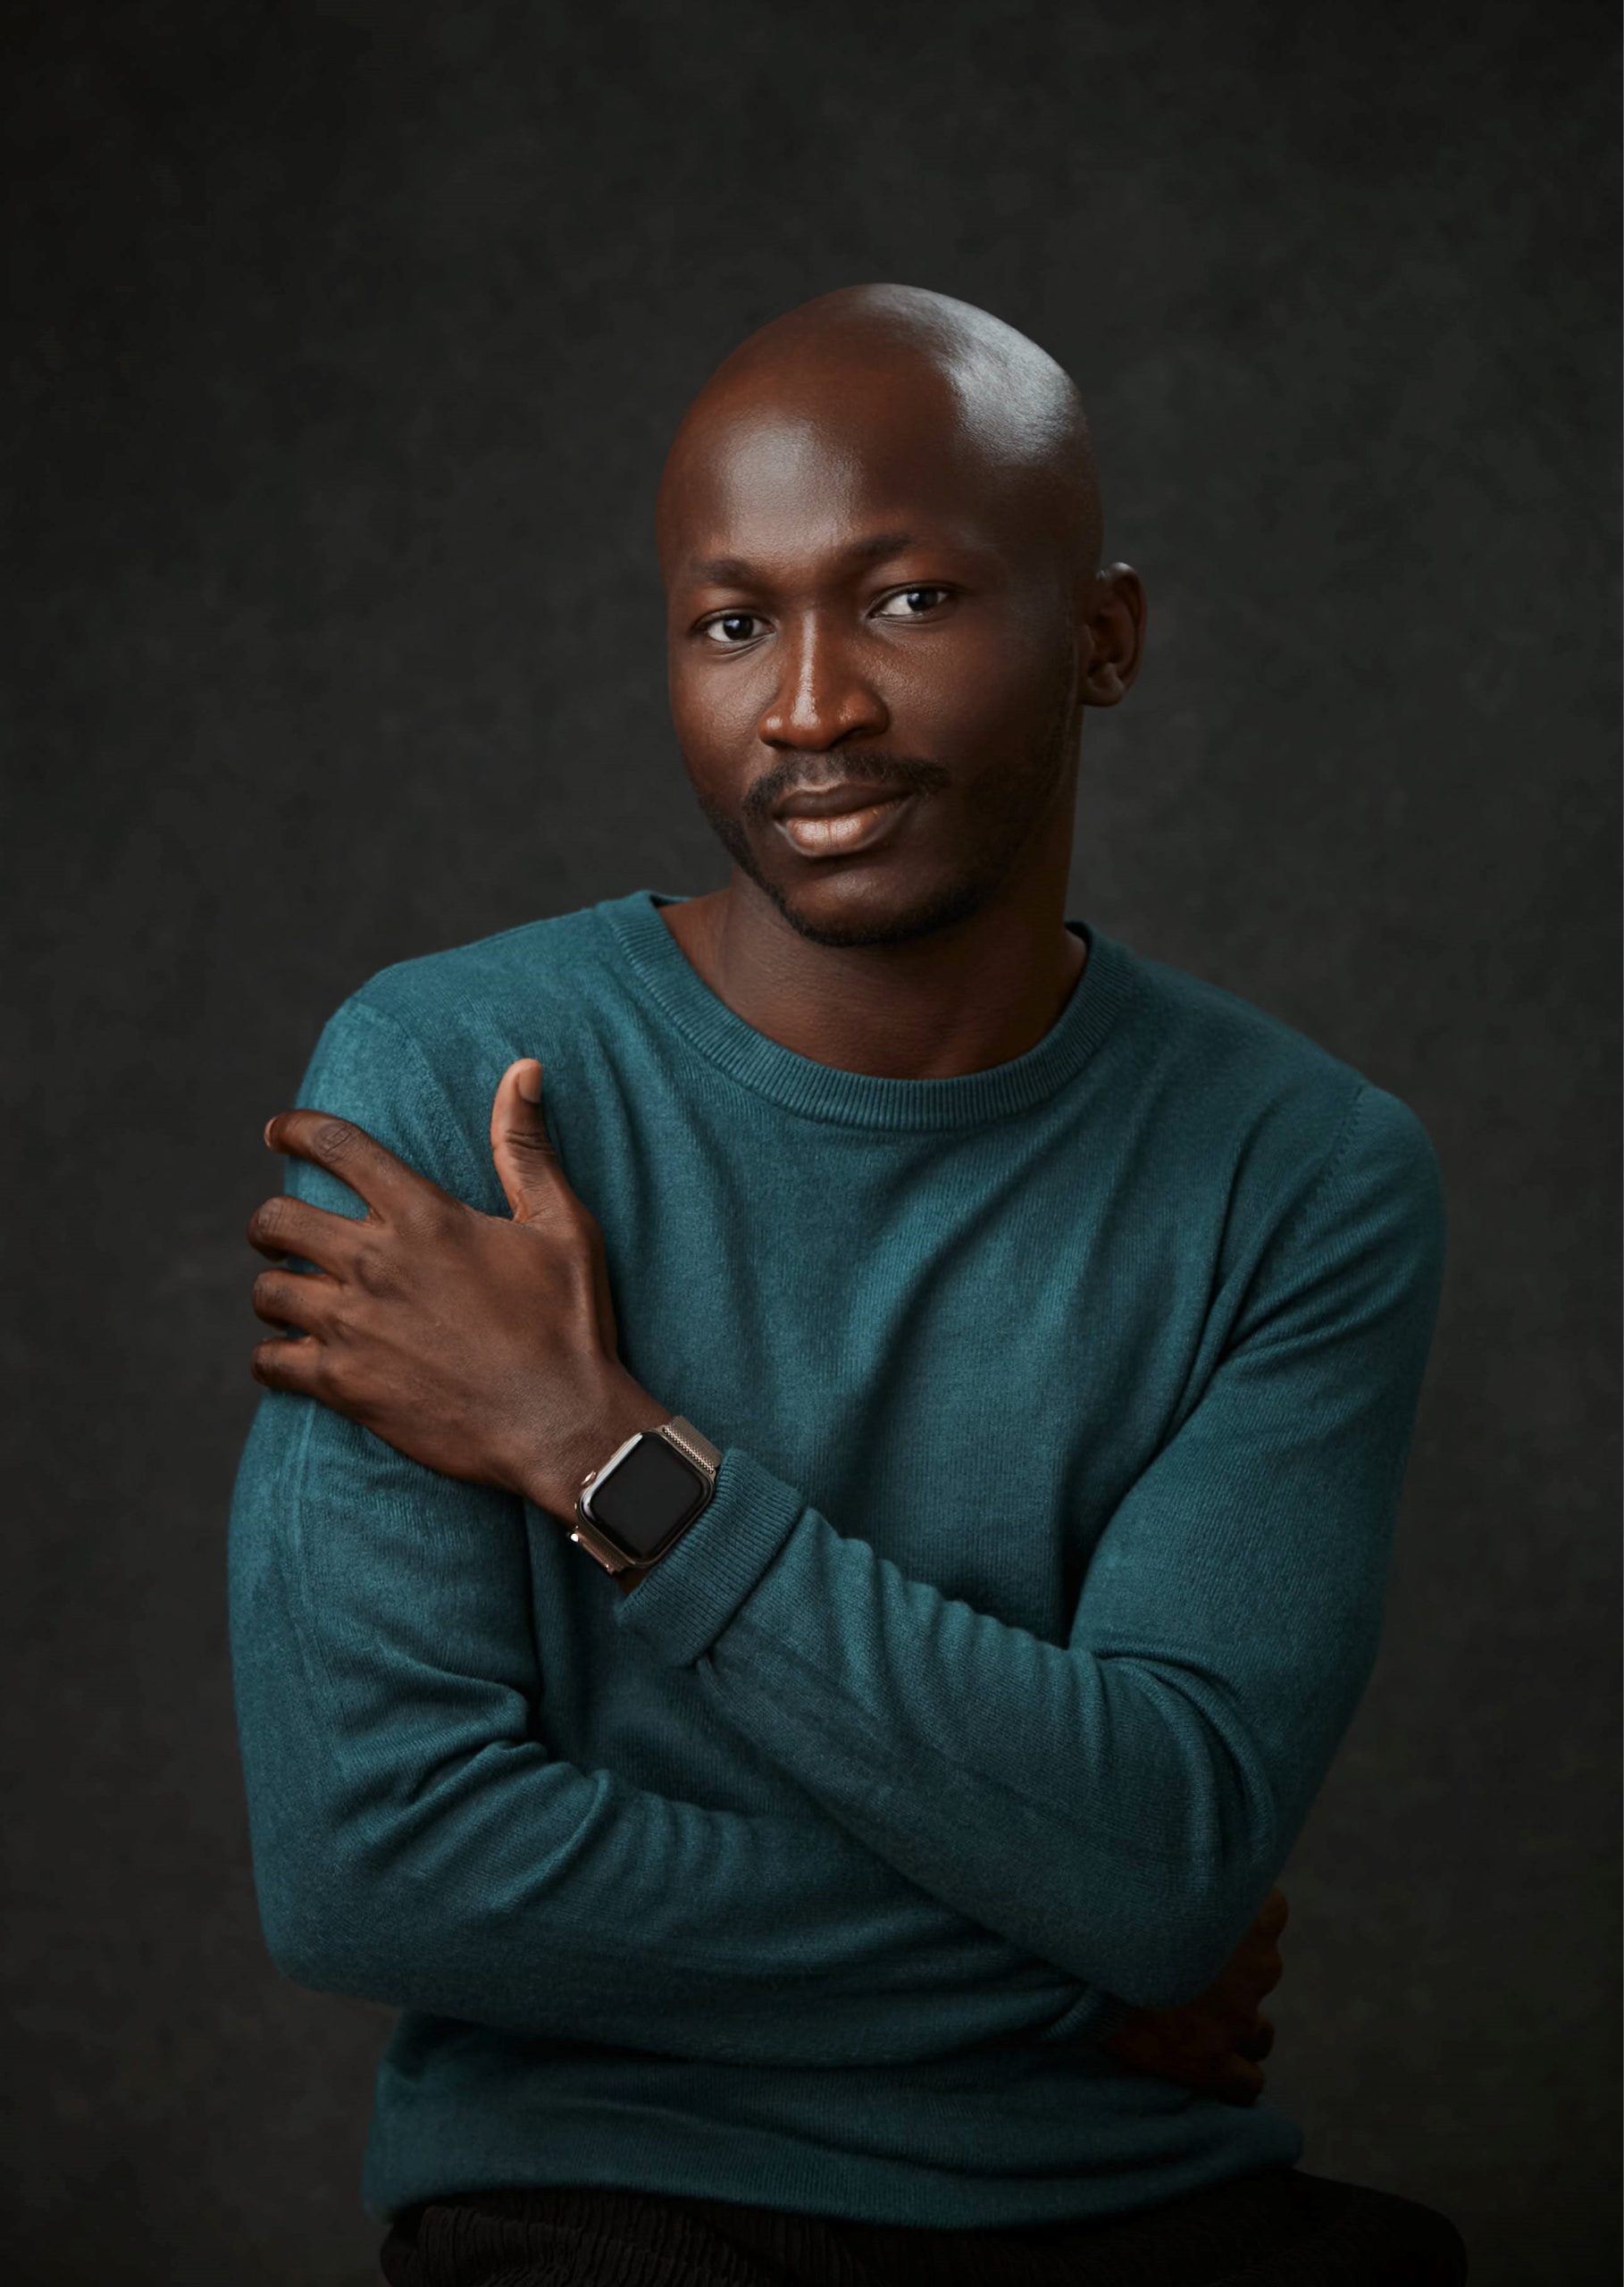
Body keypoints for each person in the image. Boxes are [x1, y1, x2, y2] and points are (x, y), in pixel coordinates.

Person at [228, 283, 1469, 2284]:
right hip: (609, 2208)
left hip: (1141, 2213)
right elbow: (374, 1862)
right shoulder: (452, 1079)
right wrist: (1070, 1967)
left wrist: (606, 1452)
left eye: (905, 601)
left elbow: (1170, 1837)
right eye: (733, 623)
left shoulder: (1301, 1172)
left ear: (1103, 636)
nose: (809, 708)